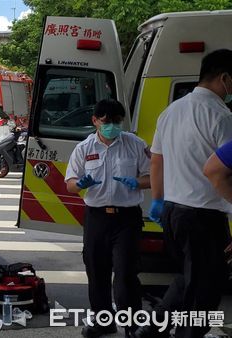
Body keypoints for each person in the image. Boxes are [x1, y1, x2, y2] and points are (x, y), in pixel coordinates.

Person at [136, 49, 232, 338]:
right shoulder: (221, 116)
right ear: (225, 78)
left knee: (190, 279)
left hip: (173, 214)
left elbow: (156, 159)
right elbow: (222, 172)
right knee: (203, 295)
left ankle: (152, 328)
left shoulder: (171, 111)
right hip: (204, 216)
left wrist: (157, 200)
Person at [64, 100, 150, 338]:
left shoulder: (135, 144)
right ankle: (103, 322)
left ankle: (132, 325)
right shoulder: (84, 148)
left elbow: (152, 176)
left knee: (125, 272)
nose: (112, 126)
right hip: (97, 218)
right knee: (96, 271)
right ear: (95, 121)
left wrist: (138, 182)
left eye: (116, 121)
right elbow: (70, 183)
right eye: (106, 121)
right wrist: (80, 184)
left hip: (127, 219)